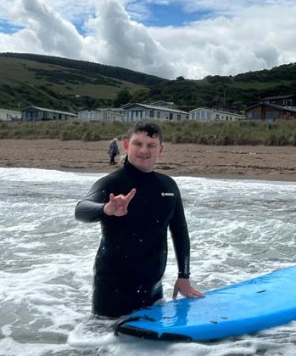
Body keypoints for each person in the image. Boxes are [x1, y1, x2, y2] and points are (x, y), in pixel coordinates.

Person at [74, 121, 204, 318]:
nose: (144, 150)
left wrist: (183, 277)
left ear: (161, 149)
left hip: (153, 291)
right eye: (138, 144)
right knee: (105, 347)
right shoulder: (111, 183)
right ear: (126, 145)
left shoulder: (168, 186)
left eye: (151, 145)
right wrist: (106, 209)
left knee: (155, 348)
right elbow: (81, 210)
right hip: (112, 293)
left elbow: (180, 232)